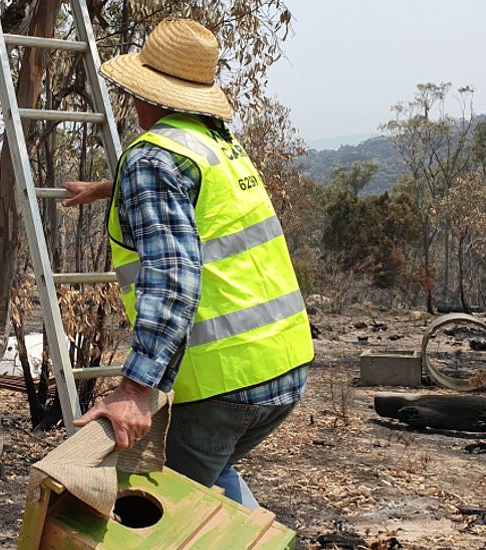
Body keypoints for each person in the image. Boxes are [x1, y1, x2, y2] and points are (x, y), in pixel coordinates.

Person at [67, 18, 314, 509]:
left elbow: (172, 280)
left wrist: (134, 390)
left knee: (173, 513)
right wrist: (109, 188)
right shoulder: (218, 143)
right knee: (214, 482)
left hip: (221, 386)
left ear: (147, 93)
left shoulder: (152, 159)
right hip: (283, 368)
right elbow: (200, 204)